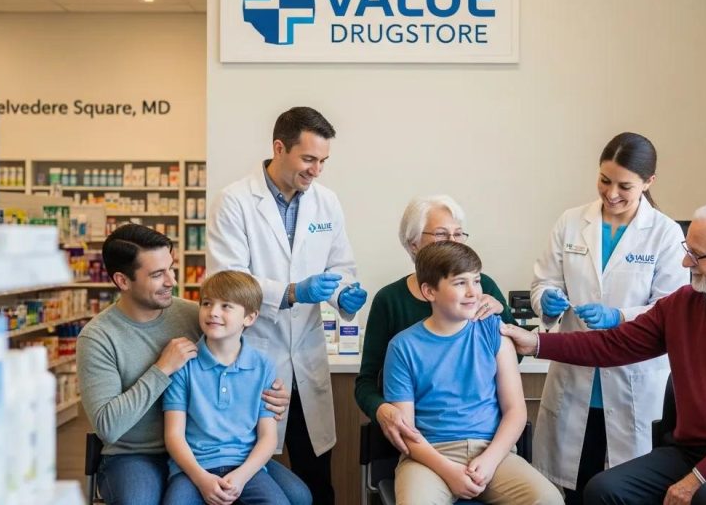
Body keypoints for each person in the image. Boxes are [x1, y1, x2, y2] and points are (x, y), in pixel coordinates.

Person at [502, 201, 706, 505]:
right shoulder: (683, 305)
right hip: (693, 451)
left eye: (697, 255)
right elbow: (613, 345)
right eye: (687, 251)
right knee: (603, 490)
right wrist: (537, 344)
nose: (685, 263)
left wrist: (698, 478)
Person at [77, 224, 308, 505]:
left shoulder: (195, 314)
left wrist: (272, 395)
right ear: (123, 281)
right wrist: (162, 369)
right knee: (140, 501)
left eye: (171, 268)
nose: (171, 281)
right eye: (157, 274)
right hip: (137, 452)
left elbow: (235, 359)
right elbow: (107, 427)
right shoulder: (98, 337)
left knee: (298, 496)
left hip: (213, 448)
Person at [206, 106, 368, 503]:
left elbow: (340, 266)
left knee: (317, 476)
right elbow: (228, 285)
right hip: (254, 356)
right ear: (279, 148)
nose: (317, 170)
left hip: (308, 357)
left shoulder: (325, 203)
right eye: (308, 159)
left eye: (323, 161)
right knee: (253, 475)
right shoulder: (235, 202)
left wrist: (343, 294)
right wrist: (293, 291)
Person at [529, 131, 688, 504]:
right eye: (604, 180)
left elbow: (671, 308)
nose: (611, 193)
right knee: (572, 487)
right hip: (575, 381)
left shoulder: (664, 234)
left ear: (648, 183)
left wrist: (619, 315)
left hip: (633, 382)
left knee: (622, 491)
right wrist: (547, 298)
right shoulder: (571, 222)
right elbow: (543, 281)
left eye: (624, 186)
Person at [383, 241, 563, 505]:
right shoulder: (403, 347)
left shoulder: (494, 332)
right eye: (459, 283)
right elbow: (407, 433)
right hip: (429, 456)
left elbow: (515, 410)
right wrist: (449, 471)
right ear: (429, 291)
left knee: (548, 499)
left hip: (493, 453)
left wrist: (489, 461)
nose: (473, 292)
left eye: (476, 281)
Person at [355, 195, 522, 454]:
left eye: (459, 234)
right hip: (418, 438)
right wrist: (381, 409)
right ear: (413, 245)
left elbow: (513, 356)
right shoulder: (390, 301)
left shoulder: (482, 287)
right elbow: (366, 381)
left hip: (484, 440)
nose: (454, 244)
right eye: (443, 235)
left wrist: (503, 314)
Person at [163, 271, 305, 505]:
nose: (213, 312)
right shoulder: (183, 364)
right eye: (207, 303)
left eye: (226, 306)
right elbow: (174, 435)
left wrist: (241, 477)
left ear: (249, 318)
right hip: (193, 468)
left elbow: (268, 437)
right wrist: (201, 479)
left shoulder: (263, 367)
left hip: (245, 466)